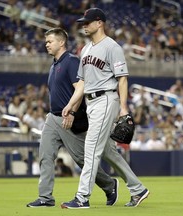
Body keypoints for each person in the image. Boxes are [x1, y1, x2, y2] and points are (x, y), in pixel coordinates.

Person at [61, 8, 149, 209]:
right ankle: (138, 189)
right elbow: (82, 83)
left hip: (107, 99)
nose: (84, 25)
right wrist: (70, 105)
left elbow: (122, 79)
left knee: (91, 148)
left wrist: (124, 108)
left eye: (88, 22)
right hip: (91, 103)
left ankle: (82, 197)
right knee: (109, 151)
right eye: (83, 22)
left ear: (99, 23)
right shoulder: (85, 49)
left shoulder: (112, 47)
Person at [26, 27, 118, 208]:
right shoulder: (54, 65)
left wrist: (73, 112)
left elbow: (81, 88)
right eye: (46, 42)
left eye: (50, 41)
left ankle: (109, 185)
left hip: (68, 118)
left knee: (82, 159)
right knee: (45, 155)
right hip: (53, 117)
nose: (47, 44)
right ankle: (45, 197)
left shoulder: (71, 62)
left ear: (61, 42)